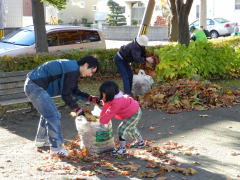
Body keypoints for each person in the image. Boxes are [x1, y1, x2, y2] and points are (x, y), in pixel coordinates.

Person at [24, 56, 100, 156]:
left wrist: (89, 98)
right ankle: (56, 148)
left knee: (48, 114)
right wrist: (78, 110)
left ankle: (41, 140)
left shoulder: (73, 68)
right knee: (54, 115)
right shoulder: (72, 69)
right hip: (35, 87)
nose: (90, 75)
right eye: (92, 71)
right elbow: (66, 94)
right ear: (86, 65)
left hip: (32, 85)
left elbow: (73, 90)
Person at [98, 81, 144, 156]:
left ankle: (122, 149)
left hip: (134, 113)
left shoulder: (117, 102)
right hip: (132, 111)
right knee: (131, 128)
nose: (102, 97)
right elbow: (105, 107)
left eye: (104, 95)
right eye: (102, 94)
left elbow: (110, 113)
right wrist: (101, 117)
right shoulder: (111, 98)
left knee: (121, 129)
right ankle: (140, 142)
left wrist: (101, 123)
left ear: (110, 94)